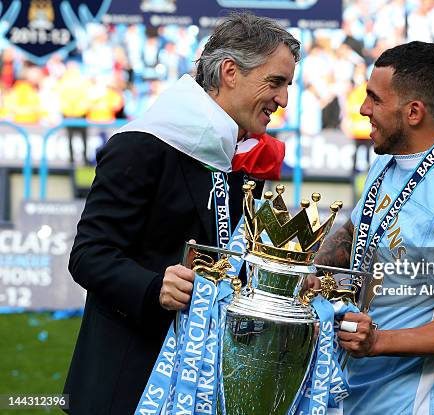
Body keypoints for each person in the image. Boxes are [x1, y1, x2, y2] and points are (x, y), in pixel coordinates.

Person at [63, 12, 299, 414]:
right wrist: (154, 287)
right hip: (128, 384)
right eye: (275, 82)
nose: (283, 100)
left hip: (205, 385)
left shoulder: (242, 156)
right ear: (229, 72)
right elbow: (89, 254)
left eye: (287, 85)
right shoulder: (142, 145)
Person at [315, 42, 434, 414]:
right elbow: (356, 230)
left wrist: (377, 341)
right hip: (356, 393)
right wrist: (311, 272)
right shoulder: (390, 162)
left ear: (413, 112)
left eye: (375, 99)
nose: (363, 109)